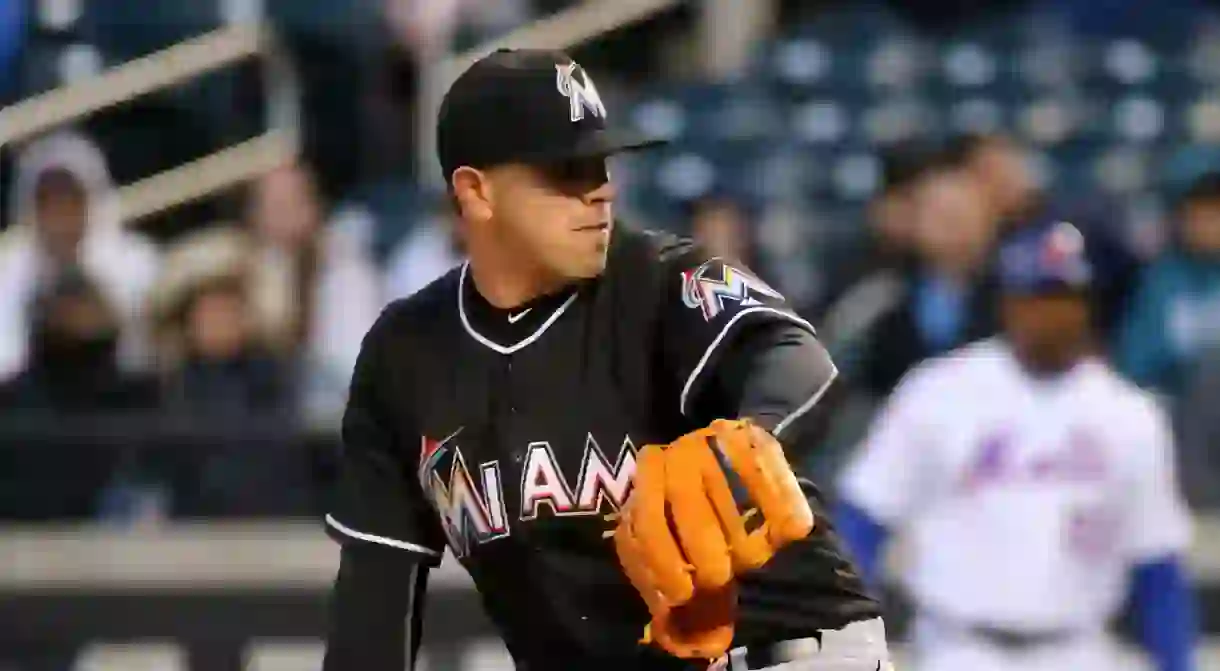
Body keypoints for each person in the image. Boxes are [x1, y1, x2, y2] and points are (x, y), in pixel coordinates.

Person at [322, 48, 889, 671]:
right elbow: (374, 598)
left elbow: (797, 359)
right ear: (476, 192)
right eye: (567, 171)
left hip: (781, 652)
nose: (600, 191)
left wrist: (748, 442)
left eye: (601, 164)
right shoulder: (406, 355)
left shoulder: (661, 280)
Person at [834, 220, 1197, 671]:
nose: (1051, 314)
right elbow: (862, 520)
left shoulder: (1129, 414)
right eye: (1037, 297)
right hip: (959, 647)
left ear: (1088, 305)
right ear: (1007, 302)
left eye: (1065, 297)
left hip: (1078, 649)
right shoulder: (939, 390)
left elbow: (1158, 567)